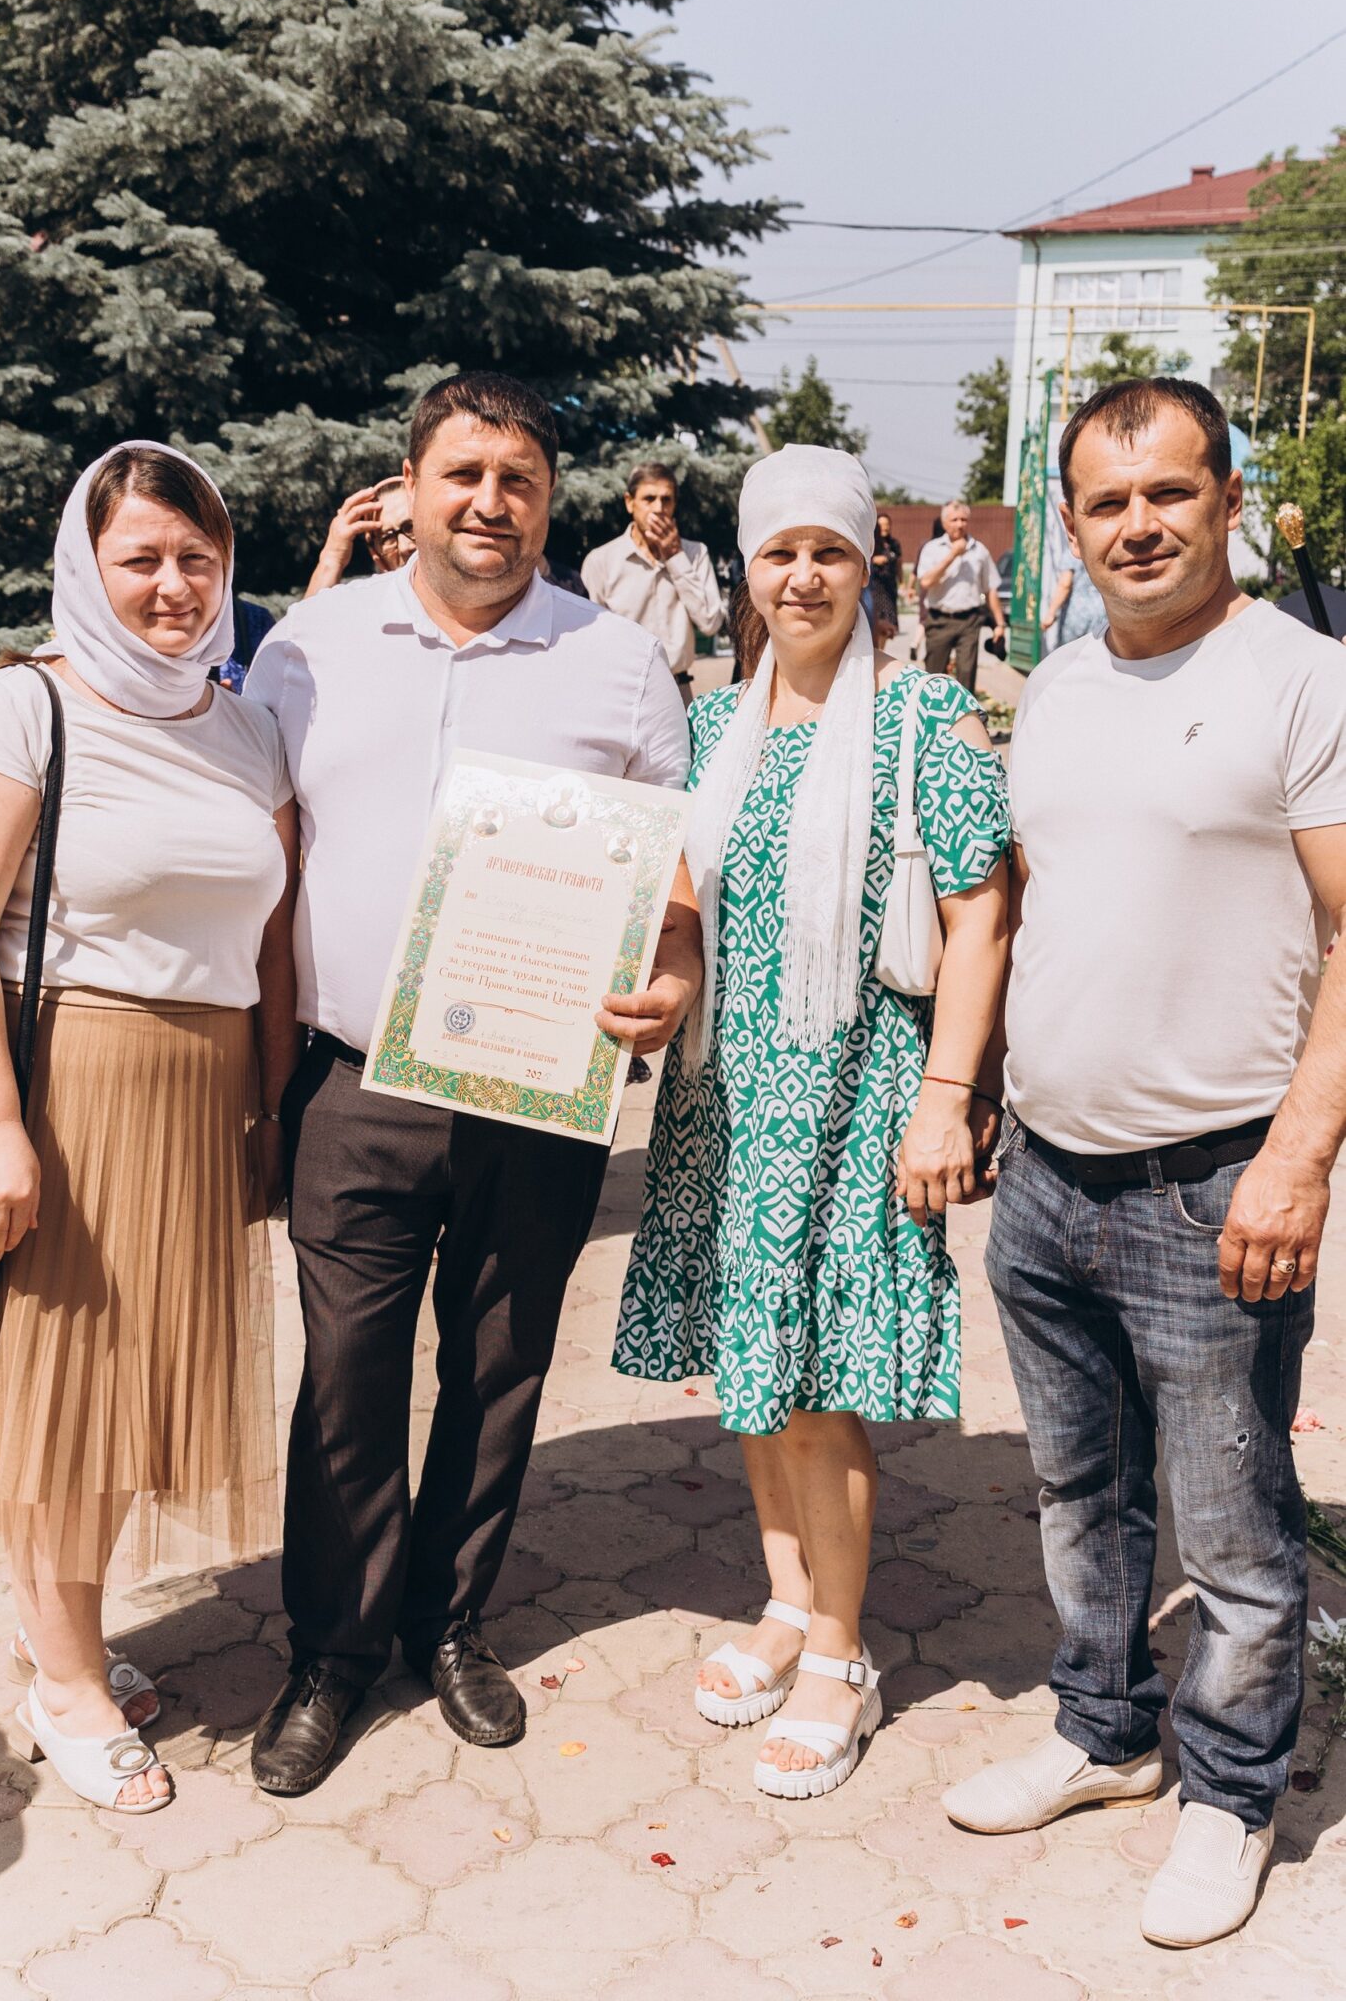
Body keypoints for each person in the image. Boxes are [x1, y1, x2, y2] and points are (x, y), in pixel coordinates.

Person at [244, 372, 700, 1797]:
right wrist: (259, 1088)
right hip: (352, 1087)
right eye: (464, 474)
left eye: (518, 480)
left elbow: (673, 877)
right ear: (409, 487)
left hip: (536, 1088)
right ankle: (331, 1651)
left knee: (498, 1370)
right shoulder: (310, 648)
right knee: (347, 1377)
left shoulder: (616, 661)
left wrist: (673, 976)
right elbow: (266, 866)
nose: (490, 503)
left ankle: (447, 1624)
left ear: (548, 501)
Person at [942, 378, 1346, 1948]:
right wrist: (979, 1091)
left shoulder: (1301, 681)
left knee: (1232, 1524)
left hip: (1215, 1185)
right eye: (1105, 502)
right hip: (1047, 1176)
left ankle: (1230, 1793)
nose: (1138, 526)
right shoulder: (1051, 688)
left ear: (1227, 501)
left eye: (1168, 493)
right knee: (1077, 1490)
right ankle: (1101, 1732)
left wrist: (1298, 1158)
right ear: (1066, 522)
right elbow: (1039, 903)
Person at [614, 444, 1011, 1801]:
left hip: (855, 1097)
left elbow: (980, 919)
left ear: (865, 568)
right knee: (755, 1361)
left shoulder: (921, 719)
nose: (801, 577)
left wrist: (948, 1098)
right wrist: (662, 994)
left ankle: (842, 1650)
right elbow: (683, 908)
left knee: (821, 1386)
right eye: (777, 553)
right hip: (727, 1096)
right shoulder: (713, 728)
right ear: (745, 572)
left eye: (827, 552)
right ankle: (785, 1597)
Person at [0, 442, 298, 1815]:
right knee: (66, 1395)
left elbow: (273, 940)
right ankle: (63, 1682)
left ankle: (62, 1632)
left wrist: (269, 1103)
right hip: (74, 1082)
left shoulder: (244, 725)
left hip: (204, 1084)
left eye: (196, 558)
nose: (173, 585)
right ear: (86, 565)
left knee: (133, 1393)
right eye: (141, 559)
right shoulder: (26, 708)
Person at [581, 462, 725, 705]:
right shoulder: (601, 561)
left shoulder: (695, 554)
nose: (659, 508)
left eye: (666, 500)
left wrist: (675, 557)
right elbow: (589, 641)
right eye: (649, 499)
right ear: (630, 502)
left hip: (677, 690)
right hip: (621, 692)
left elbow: (711, 622)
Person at [914, 501, 1006, 692]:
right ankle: (933, 709)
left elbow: (990, 588)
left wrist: (999, 624)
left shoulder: (979, 551)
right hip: (939, 620)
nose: (960, 524)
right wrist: (953, 554)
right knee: (934, 676)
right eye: (954, 520)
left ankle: (964, 710)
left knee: (966, 674)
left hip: (969, 621)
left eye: (964, 519)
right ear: (944, 523)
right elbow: (926, 582)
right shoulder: (932, 548)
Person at [305, 476, 414, 596]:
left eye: (410, 528)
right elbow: (312, 608)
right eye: (387, 538)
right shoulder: (369, 602)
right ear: (376, 553)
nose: (404, 547)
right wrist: (333, 557)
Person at [1039, 541, 1105, 657]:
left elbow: (1065, 585)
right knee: (1095, 654)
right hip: (1101, 612)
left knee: (1071, 655)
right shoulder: (1099, 550)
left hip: (1076, 614)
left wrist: (1051, 613)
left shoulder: (1073, 552)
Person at [868, 510, 902, 642]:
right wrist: (874, 560)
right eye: (882, 525)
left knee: (888, 627)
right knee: (876, 622)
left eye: (887, 524)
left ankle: (880, 649)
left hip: (890, 587)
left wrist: (902, 582)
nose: (885, 528)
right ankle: (876, 649)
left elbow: (898, 563)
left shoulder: (894, 544)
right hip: (876, 588)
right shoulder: (872, 544)